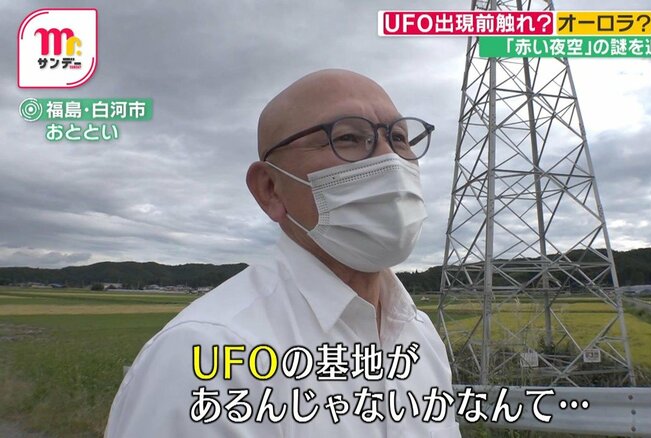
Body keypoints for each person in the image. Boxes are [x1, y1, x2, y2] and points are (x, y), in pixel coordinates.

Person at [105, 69, 461, 437]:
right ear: (270, 189)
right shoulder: (210, 356)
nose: (390, 160)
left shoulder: (419, 335)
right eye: (348, 138)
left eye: (399, 138)